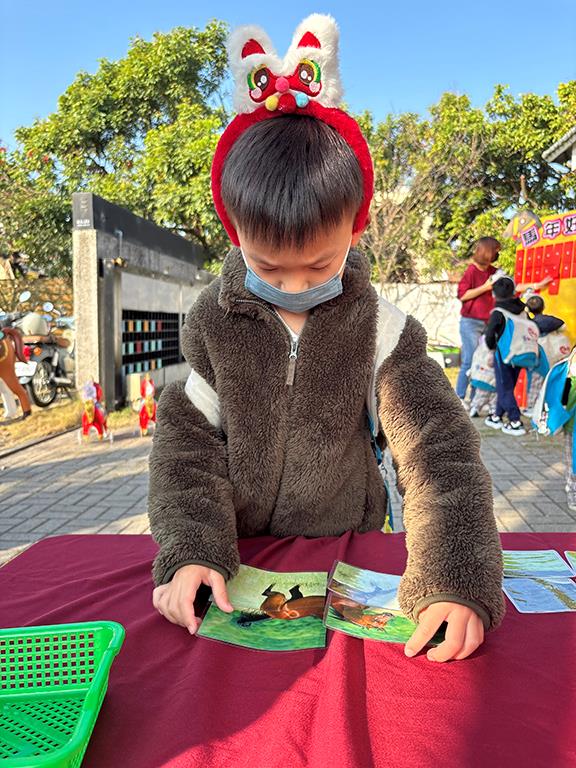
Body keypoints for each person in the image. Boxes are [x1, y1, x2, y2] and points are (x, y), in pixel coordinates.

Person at [147, 14, 505, 663]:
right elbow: (186, 451)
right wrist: (192, 551)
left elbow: (439, 455)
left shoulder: (382, 331)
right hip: (238, 561)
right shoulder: (212, 324)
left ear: (355, 228)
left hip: (349, 552)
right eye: (266, 267)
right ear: (234, 232)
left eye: (318, 266)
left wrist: (454, 578)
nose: (293, 285)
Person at [484, 277, 534, 435]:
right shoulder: (523, 310)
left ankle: (515, 421)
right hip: (520, 353)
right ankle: (497, 416)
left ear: (494, 294)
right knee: (507, 386)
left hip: (503, 354)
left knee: (504, 387)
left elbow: (489, 335)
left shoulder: (498, 313)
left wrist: (491, 349)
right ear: (513, 291)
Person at [455, 238, 500, 406]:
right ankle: (460, 397)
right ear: (488, 252)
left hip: (490, 324)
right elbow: (463, 295)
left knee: (483, 362)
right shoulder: (471, 271)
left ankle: (475, 400)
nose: (498, 254)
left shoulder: (495, 272)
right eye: (496, 251)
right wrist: (485, 287)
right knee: (469, 360)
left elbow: (510, 288)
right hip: (471, 323)